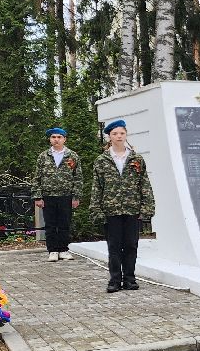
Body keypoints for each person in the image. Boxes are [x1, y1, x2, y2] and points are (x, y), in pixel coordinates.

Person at [90, 120, 155, 293]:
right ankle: (114, 280)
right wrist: (96, 209)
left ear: (126, 135)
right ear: (109, 137)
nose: (119, 136)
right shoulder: (101, 160)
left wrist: (147, 207)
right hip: (111, 209)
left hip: (132, 208)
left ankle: (130, 279)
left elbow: (144, 184)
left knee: (131, 245)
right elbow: (97, 186)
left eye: (122, 133)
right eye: (115, 134)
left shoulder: (136, 159)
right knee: (114, 246)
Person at [33, 127, 82, 261]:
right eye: (53, 137)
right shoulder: (43, 156)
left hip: (66, 195)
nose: (56, 140)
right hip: (48, 195)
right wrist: (38, 196)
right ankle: (53, 250)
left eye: (59, 137)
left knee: (64, 223)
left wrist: (76, 196)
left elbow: (78, 177)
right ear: (50, 139)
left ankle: (63, 249)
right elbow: (37, 177)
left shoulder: (72, 156)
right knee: (50, 224)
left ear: (64, 139)